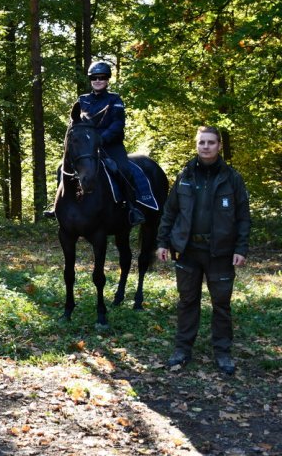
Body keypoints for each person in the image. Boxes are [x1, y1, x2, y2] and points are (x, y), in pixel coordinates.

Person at [157, 126, 250, 376]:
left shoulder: (232, 179)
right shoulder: (184, 176)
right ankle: (182, 350)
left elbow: (243, 217)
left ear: (219, 145)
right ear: (196, 145)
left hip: (220, 252)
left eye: (211, 142)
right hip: (188, 250)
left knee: (221, 304)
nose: (206, 147)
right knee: (187, 301)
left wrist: (241, 248)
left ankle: (222, 352)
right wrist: (163, 242)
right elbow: (170, 211)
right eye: (202, 143)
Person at [45, 61, 145, 225]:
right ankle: (58, 206)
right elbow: (76, 124)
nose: (98, 80)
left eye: (102, 77)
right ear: (90, 79)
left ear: (107, 80)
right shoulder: (82, 100)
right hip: (87, 147)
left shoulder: (115, 100)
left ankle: (132, 208)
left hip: (111, 145)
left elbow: (118, 124)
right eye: (94, 77)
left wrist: (102, 138)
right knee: (61, 168)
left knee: (122, 168)